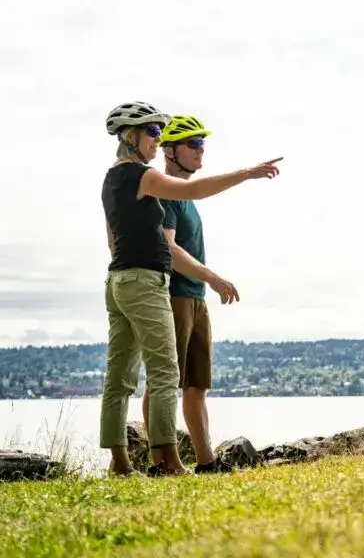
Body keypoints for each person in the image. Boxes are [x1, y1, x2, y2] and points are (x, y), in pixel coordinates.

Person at [100, 100, 282, 477]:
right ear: (132, 136)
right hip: (146, 281)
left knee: (119, 379)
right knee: (166, 374)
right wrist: (246, 173)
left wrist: (127, 267)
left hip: (119, 278)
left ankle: (121, 463)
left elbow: (112, 240)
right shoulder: (142, 176)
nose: (157, 139)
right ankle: (168, 462)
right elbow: (195, 191)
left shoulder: (111, 179)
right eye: (153, 132)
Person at [142, 114, 236, 474]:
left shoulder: (188, 199)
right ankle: (160, 462)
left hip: (196, 298)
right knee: (163, 381)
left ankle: (206, 460)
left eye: (202, 144)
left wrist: (206, 284)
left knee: (196, 384)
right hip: (175, 295)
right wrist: (213, 277)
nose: (201, 152)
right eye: (193, 145)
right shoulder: (167, 194)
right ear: (170, 151)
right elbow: (169, 249)